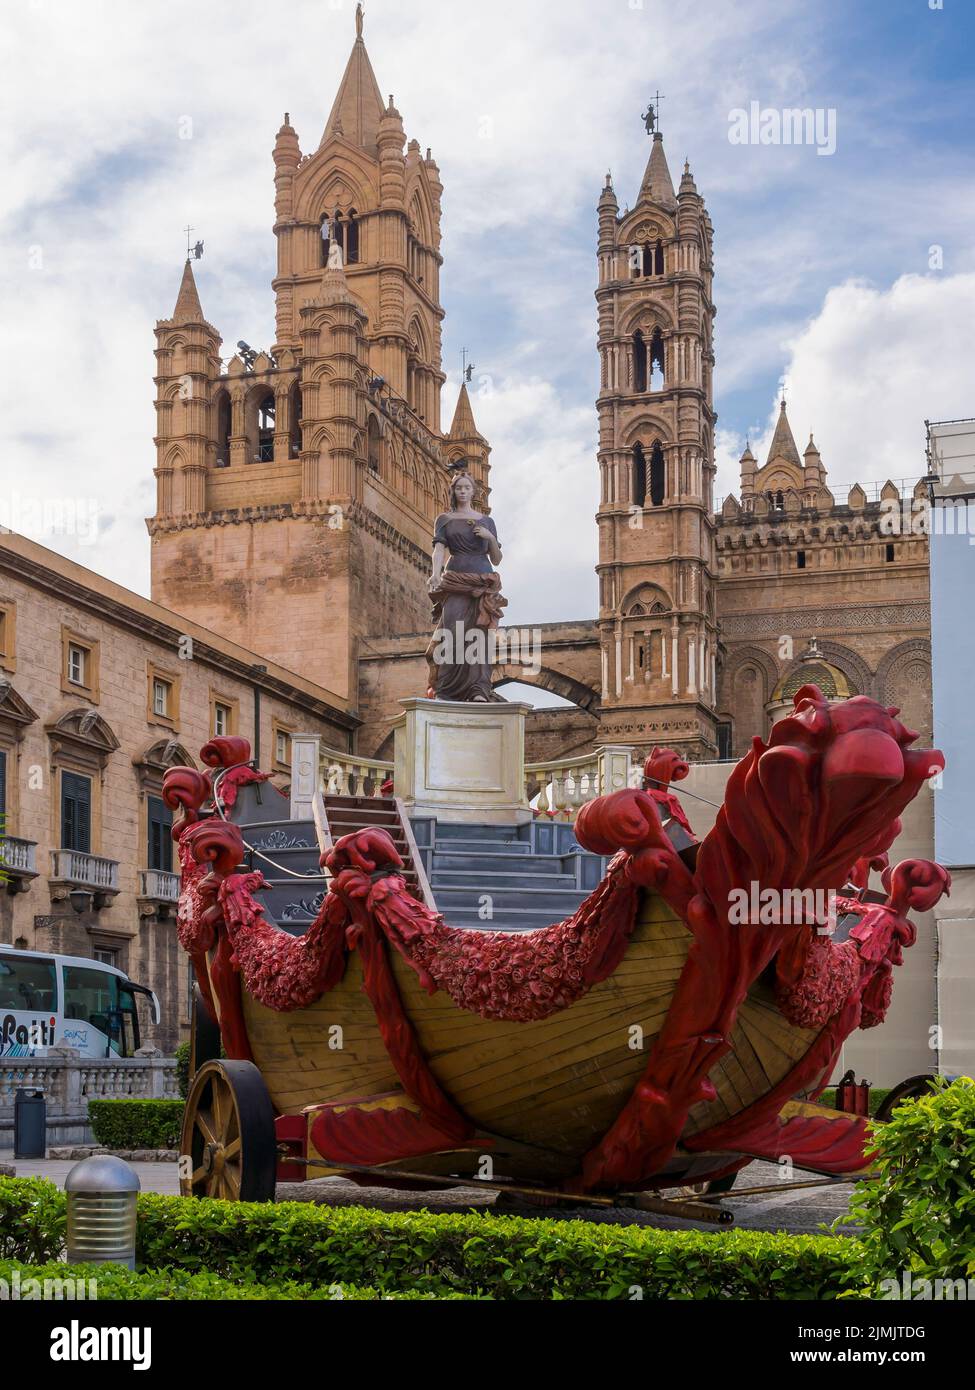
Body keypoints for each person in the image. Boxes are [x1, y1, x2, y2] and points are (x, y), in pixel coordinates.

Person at [425, 471, 507, 702]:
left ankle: (478, 690)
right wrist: (435, 574)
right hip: (455, 579)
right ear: (453, 491)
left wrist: (490, 538)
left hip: (483, 578)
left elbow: (497, 558)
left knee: (479, 635)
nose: (462, 491)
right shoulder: (444, 520)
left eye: (466, 488)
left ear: (473, 491)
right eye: (458, 488)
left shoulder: (487, 521)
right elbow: (439, 549)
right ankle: (446, 690)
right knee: (452, 632)